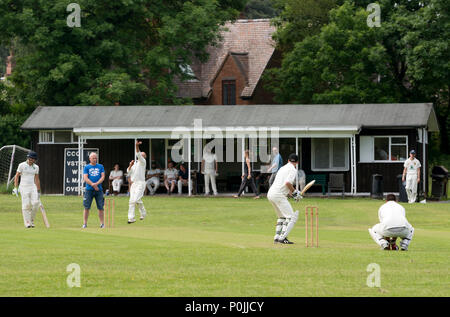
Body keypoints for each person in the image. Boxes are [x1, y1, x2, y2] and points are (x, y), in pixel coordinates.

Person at [267, 153, 302, 244]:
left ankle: (277, 237)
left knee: (282, 216)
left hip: (271, 193)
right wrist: (295, 193)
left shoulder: (282, 168)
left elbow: (284, 185)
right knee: (291, 217)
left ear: (288, 161)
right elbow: (287, 183)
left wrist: (293, 194)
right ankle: (282, 238)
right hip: (278, 195)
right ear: (297, 162)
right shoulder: (293, 170)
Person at [13, 151, 41, 228]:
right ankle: (27, 222)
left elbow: (37, 179)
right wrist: (15, 187)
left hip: (33, 187)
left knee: (36, 203)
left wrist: (38, 191)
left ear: (35, 160)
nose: (30, 160)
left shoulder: (36, 167)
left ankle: (31, 220)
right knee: (26, 205)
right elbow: (16, 176)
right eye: (29, 158)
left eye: (32, 159)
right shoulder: (21, 165)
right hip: (23, 187)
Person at [82, 152, 105, 228]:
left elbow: (102, 177)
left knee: (100, 207)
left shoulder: (100, 166)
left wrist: (96, 184)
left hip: (99, 190)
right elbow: (85, 178)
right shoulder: (87, 167)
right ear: (90, 159)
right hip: (89, 190)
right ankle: (85, 223)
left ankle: (102, 224)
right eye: (93, 158)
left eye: (95, 158)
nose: (95, 159)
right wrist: (92, 184)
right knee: (86, 207)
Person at [128, 140, 147, 223]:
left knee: (135, 200)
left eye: (143, 155)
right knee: (133, 200)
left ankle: (141, 213)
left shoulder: (143, 162)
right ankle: (131, 218)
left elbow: (138, 154)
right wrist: (130, 165)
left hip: (140, 183)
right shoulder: (135, 164)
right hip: (134, 184)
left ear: (144, 157)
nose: (141, 156)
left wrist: (136, 146)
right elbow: (128, 172)